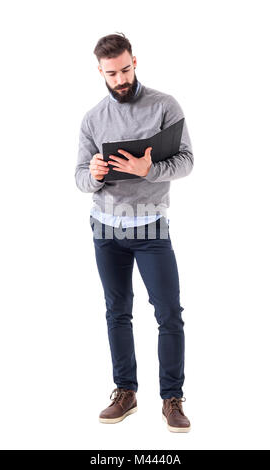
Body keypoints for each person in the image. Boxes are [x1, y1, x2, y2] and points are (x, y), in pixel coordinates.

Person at [75, 32, 194, 433]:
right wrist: (91, 176)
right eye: (112, 73)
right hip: (105, 231)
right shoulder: (93, 119)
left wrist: (151, 170)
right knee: (116, 312)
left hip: (151, 227)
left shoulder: (165, 105)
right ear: (101, 72)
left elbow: (187, 161)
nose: (120, 79)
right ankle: (125, 392)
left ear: (135, 62)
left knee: (169, 313)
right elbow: (78, 177)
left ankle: (171, 398)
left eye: (125, 69)